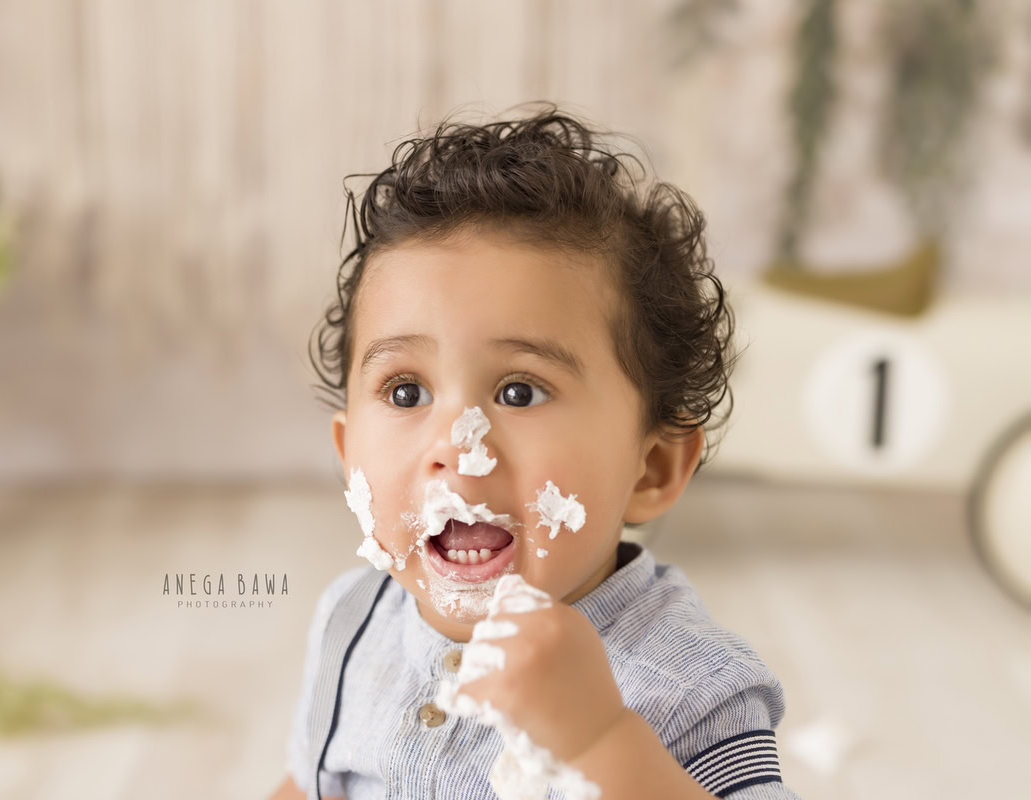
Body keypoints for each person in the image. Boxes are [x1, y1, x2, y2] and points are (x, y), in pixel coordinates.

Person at [270, 103, 800, 799]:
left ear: (653, 468)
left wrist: (601, 740)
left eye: (519, 392)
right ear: (347, 455)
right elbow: (310, 785)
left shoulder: (687, 688)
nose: (456, 449)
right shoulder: (355, 618)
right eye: (405, 393)